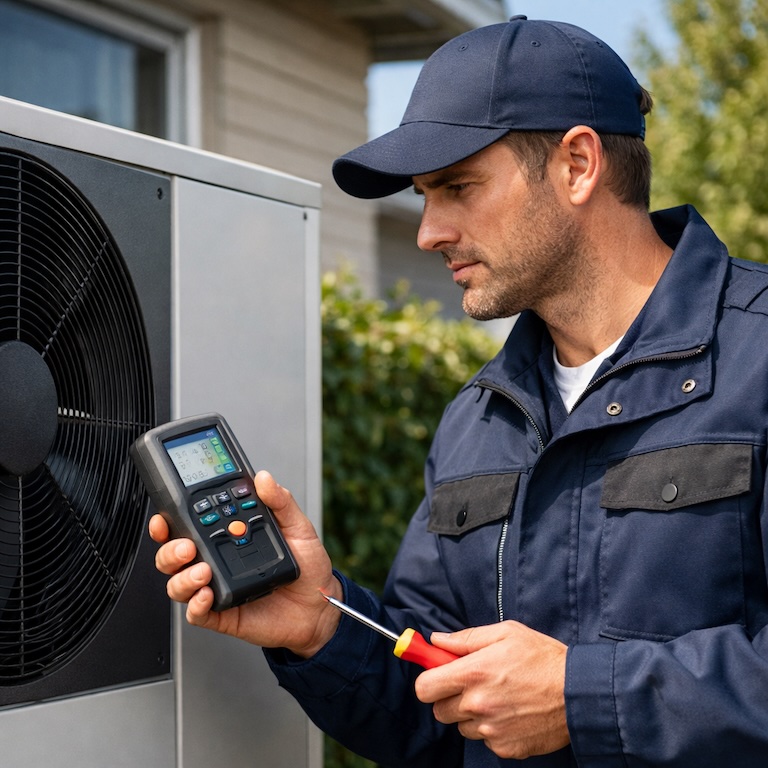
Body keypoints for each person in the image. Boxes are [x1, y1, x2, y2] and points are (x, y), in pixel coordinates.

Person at [150, 16, 768, 767]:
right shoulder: (478, 421)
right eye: (423, 195)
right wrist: (319, 627)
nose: (427, 231)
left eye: (457, 187)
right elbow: (434, 713)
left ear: (578, 164)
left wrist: (582, 696)